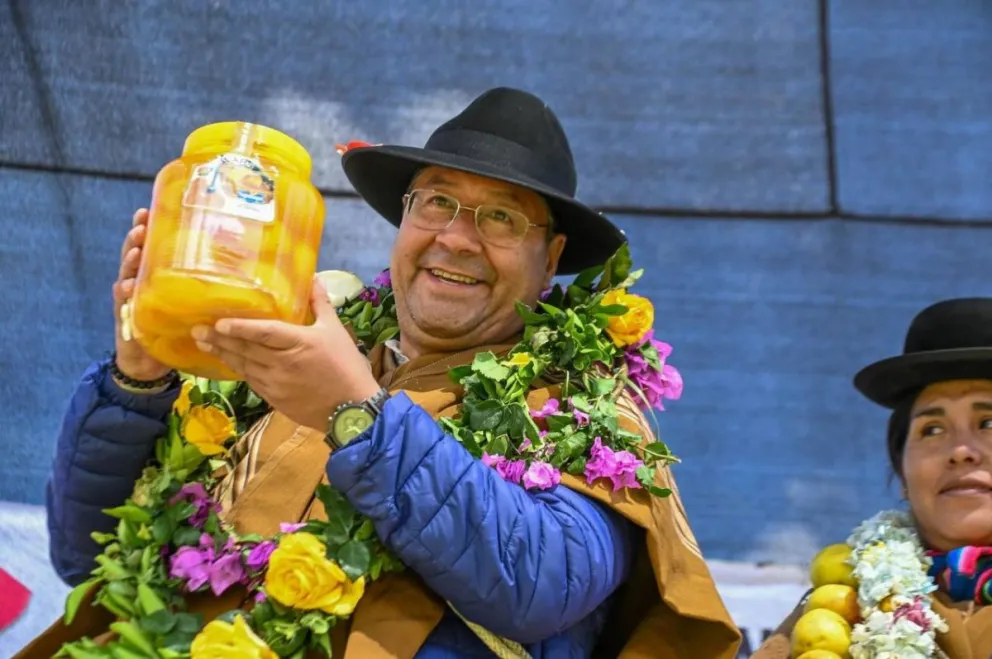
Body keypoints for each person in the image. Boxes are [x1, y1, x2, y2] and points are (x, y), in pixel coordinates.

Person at [26, 87, 739, 658]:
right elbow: (83, 555)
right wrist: (140, 374)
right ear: (404, 217)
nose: (455, 238)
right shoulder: (285, 350)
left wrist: (354, 412)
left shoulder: (593, 415)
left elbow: (539, 583)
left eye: (499, 217)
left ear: (549, 259)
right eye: (436, 201)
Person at [755, 298, 992, 659]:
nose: (961, 450)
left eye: (988, 423)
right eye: (932, 429)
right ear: (902, 476)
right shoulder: (842, 603)